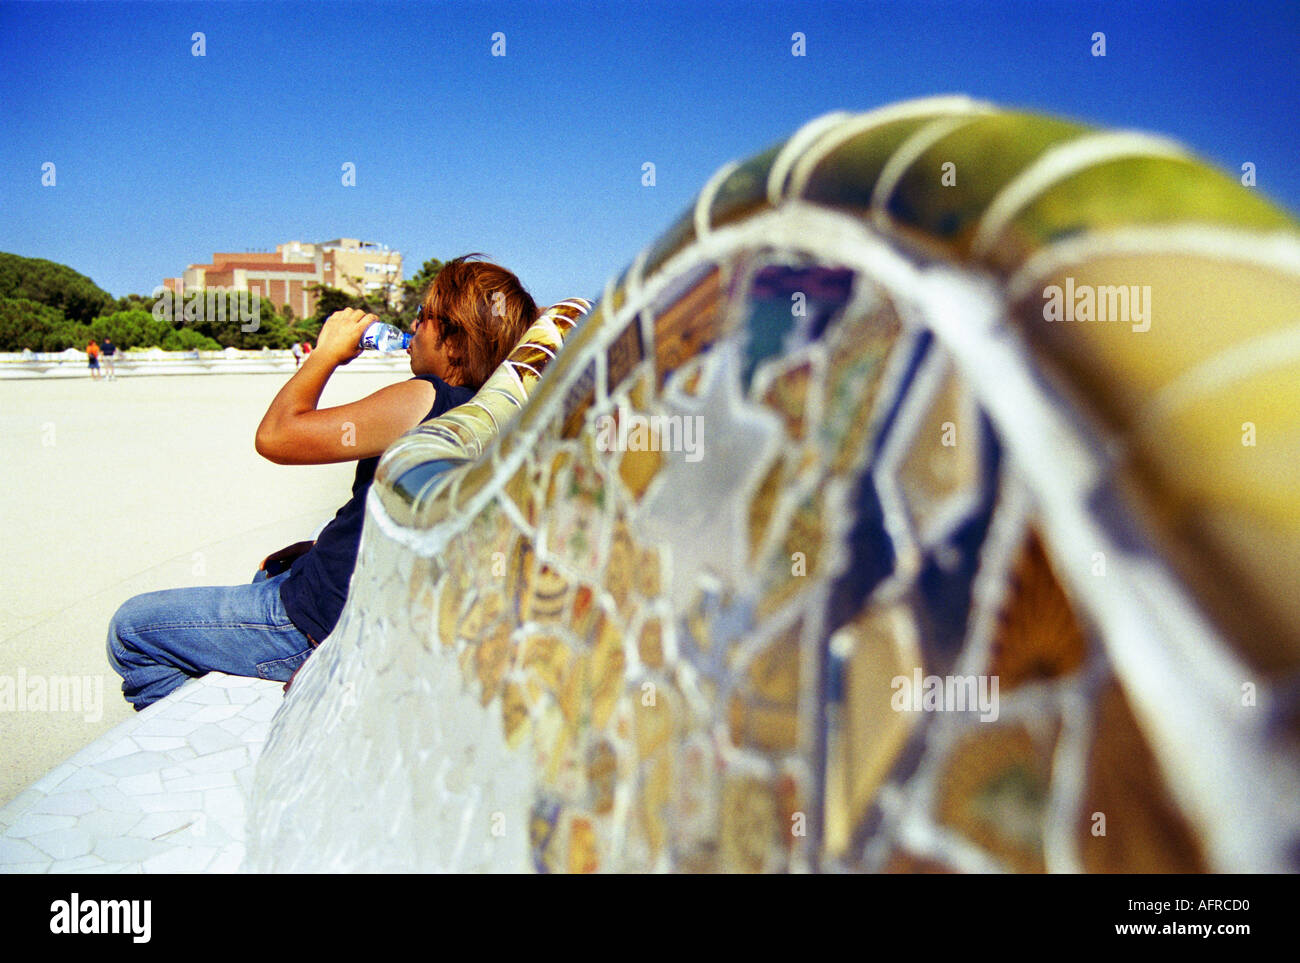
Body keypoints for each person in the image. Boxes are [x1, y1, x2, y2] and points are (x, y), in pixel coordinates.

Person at [106, 255, 538, 709]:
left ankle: (220, 740)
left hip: (319, 623)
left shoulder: (425, 398)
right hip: (361, 604)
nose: (413, 325)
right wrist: (318, 549)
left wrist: (327, 353)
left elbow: (275, 437)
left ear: (454, 341)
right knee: (267, 572)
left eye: (424, 317)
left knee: (132, 630)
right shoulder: (496, 418)